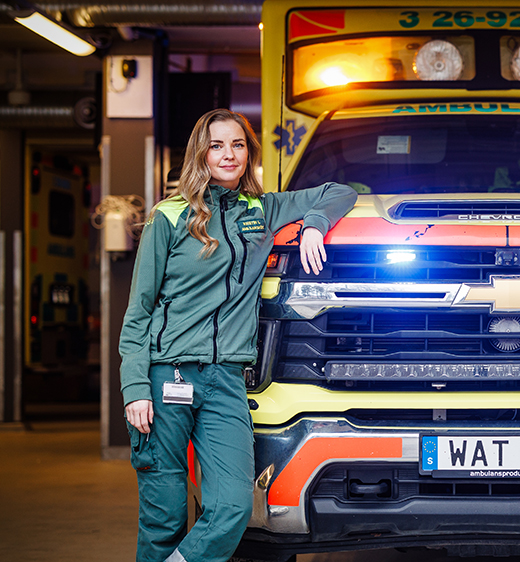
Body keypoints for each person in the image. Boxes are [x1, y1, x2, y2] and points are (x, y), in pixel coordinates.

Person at [119, 108, 358, 562]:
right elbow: (139, 311)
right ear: (201, 153)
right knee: (164, 513)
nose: (228, 154)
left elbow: (339, 192)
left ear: (249, 153)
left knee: (231, 506)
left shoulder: (262, 210)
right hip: (166, 376)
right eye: (217, 145)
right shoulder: (168, 218)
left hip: (226, 381)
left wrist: (313, 225)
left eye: (238, 144)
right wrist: (134, 387)